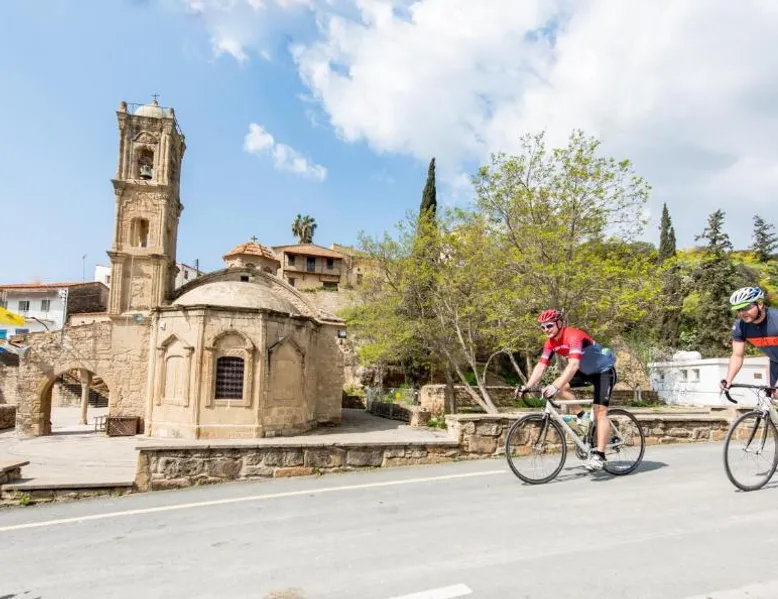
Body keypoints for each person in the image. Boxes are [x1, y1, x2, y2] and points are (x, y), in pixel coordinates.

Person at [517, 309, 617, 471]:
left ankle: (600, 455)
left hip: (603, 371)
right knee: (561, 388)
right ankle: (582, 416)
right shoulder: (550, 343)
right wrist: (527, 386)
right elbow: (541, 366)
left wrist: (555, 385)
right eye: (542, 327)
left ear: (559, 323)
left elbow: (573, 365)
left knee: (600, 412)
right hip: (586, 372)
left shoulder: (573, 336)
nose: (546, 329)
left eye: (549, 325)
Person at [720, 286, 778, 397]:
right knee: (773, 399)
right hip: (775, 363)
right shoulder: (740, 327)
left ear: (760, 304)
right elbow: (737, 356)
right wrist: (728, 380)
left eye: (746, 307)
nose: (742, 313)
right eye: (738, 310)